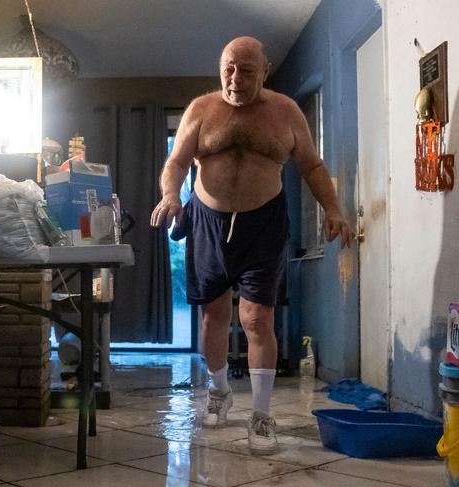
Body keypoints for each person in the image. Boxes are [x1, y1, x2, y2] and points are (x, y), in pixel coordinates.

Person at [150, 36, 354, 454]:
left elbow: (312, 165)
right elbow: (177, 162)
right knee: (212, 316)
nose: (235, 79)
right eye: (228, 68)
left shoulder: (285, 112)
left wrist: (333, 208)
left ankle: (261, 415)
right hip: (208, 221)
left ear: (265, 69)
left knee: (257, 318)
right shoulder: (202, 110)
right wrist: (171, 195)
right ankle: (220, 391)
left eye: (246, 70)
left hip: (264, 223)